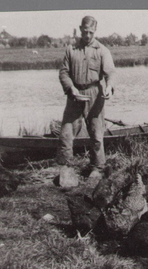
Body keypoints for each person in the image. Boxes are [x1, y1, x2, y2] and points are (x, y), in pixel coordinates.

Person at [57, 16, 115, 177]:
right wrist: (70, 88)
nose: (87, 35)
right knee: (66, 133)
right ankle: (66, 167)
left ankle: (98, 168)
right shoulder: (71, 49)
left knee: (96, 134)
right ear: (80, 29)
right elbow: (63, 72)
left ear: (95, 31)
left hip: (95, 94)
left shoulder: (102, 50)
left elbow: (110, 73)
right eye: (85, 31)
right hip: (74, 95)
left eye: (90, 32)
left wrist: (109, 87)